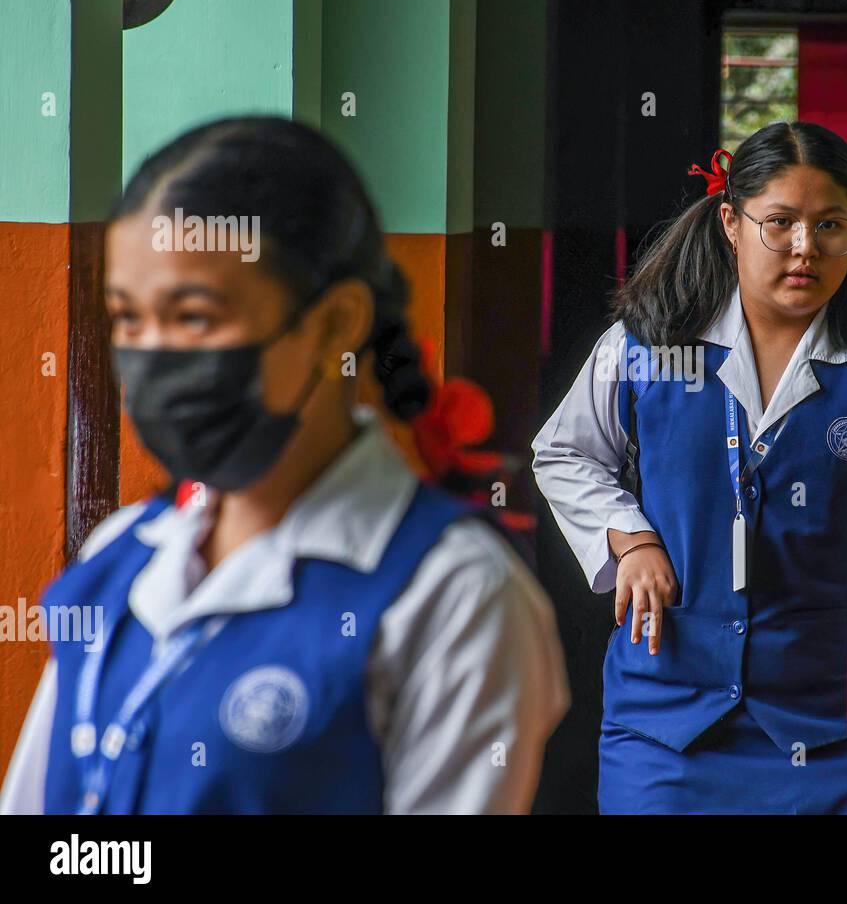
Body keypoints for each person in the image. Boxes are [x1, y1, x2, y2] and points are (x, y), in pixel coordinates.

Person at [0, 116, 568, 815]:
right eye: (128, 319)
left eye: (195, 317)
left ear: (335, 324)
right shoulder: (121, 557)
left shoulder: (453, 596)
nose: (152, 357)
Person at [532, 121, 847, 814]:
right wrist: (629, 537)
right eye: (781, 223)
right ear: (730, 224)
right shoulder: (648, 348)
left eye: (831, 225)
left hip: (835, 732)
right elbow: (563, 451)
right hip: (666, 730)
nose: (806, 248)